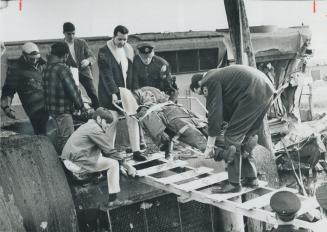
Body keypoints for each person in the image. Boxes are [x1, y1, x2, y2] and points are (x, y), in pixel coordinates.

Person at [190, 65, 275, 193]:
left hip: (252, 91)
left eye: (201, 93)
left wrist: (209, 146)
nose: (204, 96)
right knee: (245, 137)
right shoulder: (219, 75)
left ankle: (234, 184)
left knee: (231, 137)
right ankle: (251, 178)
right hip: (266, 89)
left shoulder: (208, 81)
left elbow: (215, 113)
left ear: (199, 85)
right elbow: (229, 105)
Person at [61, 107, 132, 207]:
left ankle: (95, 174)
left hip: (69, 159)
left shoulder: (89, 125)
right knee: (113, 164)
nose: (108, 125)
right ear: (99, 119)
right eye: (106, 122)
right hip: (75, 163)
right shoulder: (95, 129)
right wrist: (127, 166)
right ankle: (113, 200)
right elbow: (109, 151)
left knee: (103, 156)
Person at [98, 25, 146, 161]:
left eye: (125, 39)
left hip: (126, 91)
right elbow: (106, 74)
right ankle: (109, 153)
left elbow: (133, 71)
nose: (122, 42)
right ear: (113, 36)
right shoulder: (104, 51)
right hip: (110, 92)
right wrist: (113, 92)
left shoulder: (128, 49)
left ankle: (136, 151)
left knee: (133, 118)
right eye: (120, 39)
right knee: (111, 121)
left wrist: (135, 87)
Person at [44, 42, 85, 153]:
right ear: (66, 55)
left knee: (62, 138)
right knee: (69, 139)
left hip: (52, 110)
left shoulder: (47, 67)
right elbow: (72, 90)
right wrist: (81, 106)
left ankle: (62, 164)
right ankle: (69, 166)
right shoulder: (62, 68)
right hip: (63, 110)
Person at [1, 42, 49, 135]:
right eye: (32, 59)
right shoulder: (16, 69)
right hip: (32, 106)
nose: (35, 61)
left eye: (37, 58)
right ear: (24, 56)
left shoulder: (43, 65)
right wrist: (6, 107)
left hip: (48, 102)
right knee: (41, 130)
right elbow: (8, 89)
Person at [63, 22, 99, 110]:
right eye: (69, 34)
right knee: (73, 95)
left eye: (73, 34)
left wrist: (87, 61)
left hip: (84, 72)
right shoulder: (61, 45)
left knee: (92, 93)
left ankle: (98, 110)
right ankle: (79, 114)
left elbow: (92, 57)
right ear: (63, 33)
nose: (71, 36)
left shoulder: (81, 42)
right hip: (70, 74)